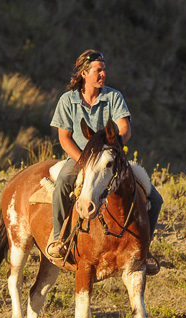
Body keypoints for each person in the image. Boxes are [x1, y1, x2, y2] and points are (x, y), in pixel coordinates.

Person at [47, 49, 163, 274]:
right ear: (84, 73)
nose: (103, 75)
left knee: (155, 199)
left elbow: (124, 129)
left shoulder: (114, 97)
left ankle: (144, 251)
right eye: (98, 71)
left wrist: (112, 148)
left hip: (111, 159)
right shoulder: (67, 101)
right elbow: (64, 138)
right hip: (81, 157)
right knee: (62, 182)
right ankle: (57, 238)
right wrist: (85, 161)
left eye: (104, 70)